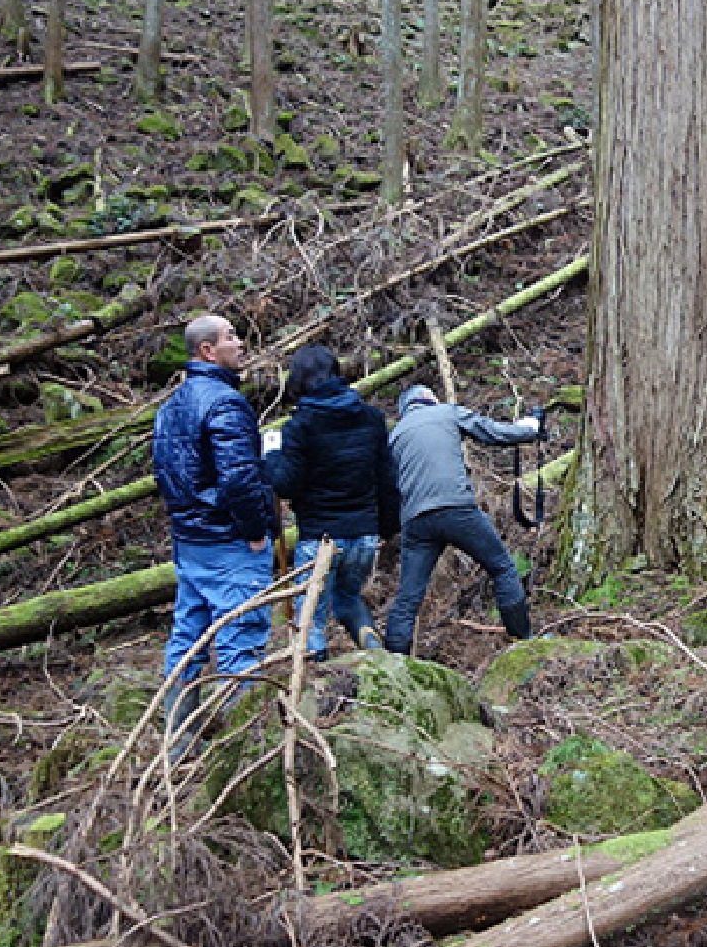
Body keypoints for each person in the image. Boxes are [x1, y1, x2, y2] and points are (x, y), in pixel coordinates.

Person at [151, 314, 279, 752]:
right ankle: (247, 750)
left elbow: (164, 474)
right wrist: (256, 530)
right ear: (207, 350)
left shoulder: (170, 406)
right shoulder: (225, 403)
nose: (240, 343)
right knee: (242, 636)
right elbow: (239, 477)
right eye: (230, 337)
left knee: (188, 636)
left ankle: (178, 741)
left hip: (190, 540)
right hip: (228, 540)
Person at [264, 345, 400, 660]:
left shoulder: (300, 425)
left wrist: (271, 455)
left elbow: (286, 484)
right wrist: (389, 526)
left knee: (310, 616)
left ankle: (316, 679)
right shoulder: (372, 418)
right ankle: (373, 649)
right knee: (349, 598)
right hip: (365, 534)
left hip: (319, 539)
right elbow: (387, 479)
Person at [385, 386, 541, 654]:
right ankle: (523, 641)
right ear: (431, 400)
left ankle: (394, 662)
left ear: (404, 409)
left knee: (408, 598)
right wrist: (531, 427)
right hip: (457, 509)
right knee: (502, 567)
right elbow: (493, 433)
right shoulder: (447, 413)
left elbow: (389, 487)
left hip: (416, 521)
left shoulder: (395, 436)